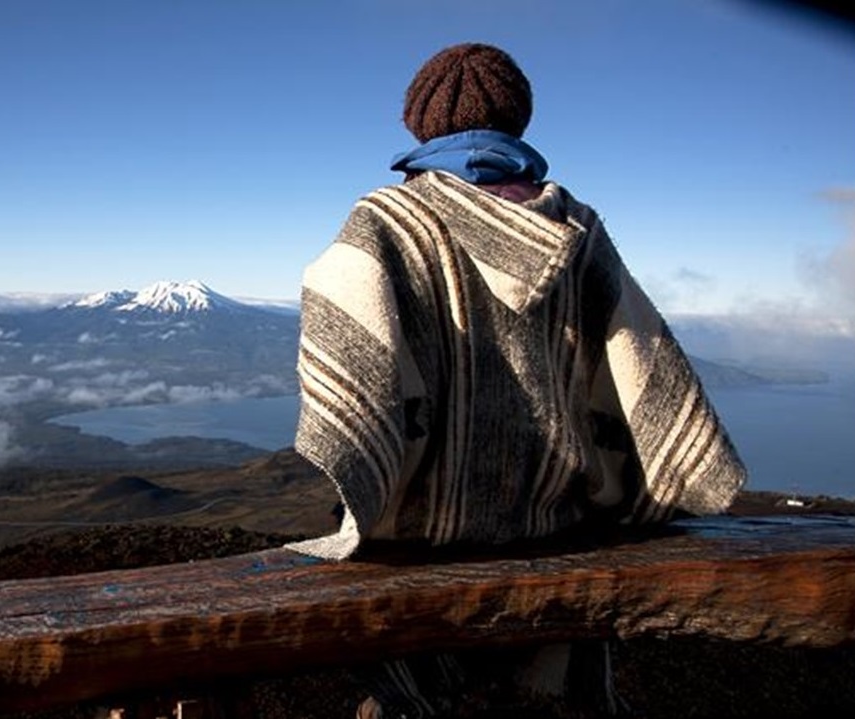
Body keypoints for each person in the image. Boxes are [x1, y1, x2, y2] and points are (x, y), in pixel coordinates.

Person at [288, 42, 748, 717]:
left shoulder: (386, 222)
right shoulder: (577, 226)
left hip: (415, 539)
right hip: (554, 523)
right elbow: (641, 360)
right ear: (519, 121)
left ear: (418, 124)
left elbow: (349, 348)